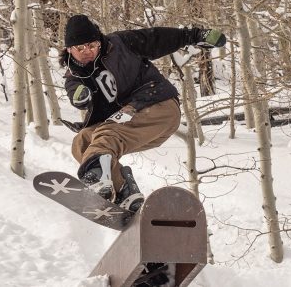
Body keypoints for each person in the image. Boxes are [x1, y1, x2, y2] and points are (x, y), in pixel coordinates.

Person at [59, 14, 226, 213]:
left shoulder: (120, 43)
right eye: (80, 48)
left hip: (158, 105)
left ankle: (97, 177)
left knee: (109, 132)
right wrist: (80, 96)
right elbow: (74, 92)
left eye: (92, 45)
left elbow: (157, 38)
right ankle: (124, 192)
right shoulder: (74, 77)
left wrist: (194, 35)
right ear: (69, 50)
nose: (88, 52)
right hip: (133, 124)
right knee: (83, 141)